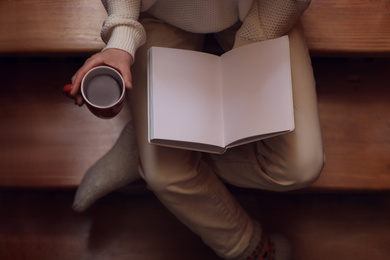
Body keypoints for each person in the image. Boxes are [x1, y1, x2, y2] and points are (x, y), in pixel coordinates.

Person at [68, 1, 325, 259]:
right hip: (159, 11)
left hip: (263, 11)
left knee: (301, 167)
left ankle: (147, 139)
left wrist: (249, 51)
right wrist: (121, 37)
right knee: (164, 175)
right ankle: (252, 249)